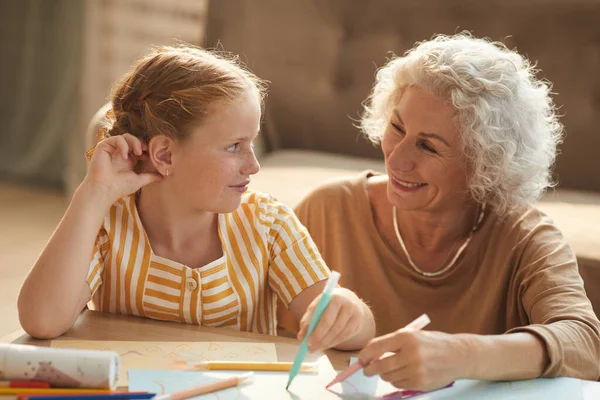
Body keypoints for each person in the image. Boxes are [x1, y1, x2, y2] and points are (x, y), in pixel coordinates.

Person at [17, 45, 376, 353]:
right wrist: (92, 194)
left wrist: (348, 312)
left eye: (251, 144)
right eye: (234, 147)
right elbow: (42, 320)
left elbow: (356, 331)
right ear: (166, 155)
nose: (253, 165)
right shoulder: (106, 224)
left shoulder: (269, 224)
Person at [293, 33, 600, 389]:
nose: (397, 158)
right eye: (397, 128)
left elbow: (586, 344)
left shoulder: (525, 237)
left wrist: (464, 355)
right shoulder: (328, 209)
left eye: (428, 146)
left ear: (485, 163)